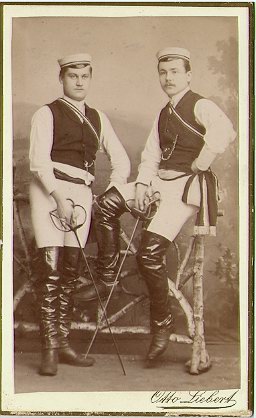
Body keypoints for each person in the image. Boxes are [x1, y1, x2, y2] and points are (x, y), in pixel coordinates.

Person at [80, 47, 236, 365]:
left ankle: (161, 327)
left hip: (185, 187)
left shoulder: (200, 105)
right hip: (158, 184)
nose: (168, 78)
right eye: (163, 73)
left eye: (175, 72)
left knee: (148, 256)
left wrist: (202, 160)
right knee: (105, 204)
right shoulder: (163, 113)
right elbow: (151, 156)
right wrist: (140, 186)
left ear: (188, 75)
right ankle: (106, 274)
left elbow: (226, 131)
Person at [29, 53, 131, 376]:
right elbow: (38, 163)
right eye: (73, 75)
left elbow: (122, 161)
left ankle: (63, 342)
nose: (79, 81)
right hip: (50, 189)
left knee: (71, 273)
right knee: (50, 272)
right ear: (61, 77)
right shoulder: (46, 114)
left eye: (85, 75)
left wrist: (110, 192)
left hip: (83, 192)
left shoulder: (98, 118)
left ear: (90, 78)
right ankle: (48, 349)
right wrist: (58, 198)